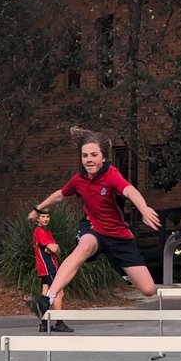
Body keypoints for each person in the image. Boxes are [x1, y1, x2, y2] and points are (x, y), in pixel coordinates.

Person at [26, 126, 161, 318]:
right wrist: (38, 209)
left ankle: (117, 265)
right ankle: (47, 299)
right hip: (93, 228)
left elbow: (130, 190)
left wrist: (144, 208)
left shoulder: (111, 175)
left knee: (148, 289)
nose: (89, 159)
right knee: (84, 247)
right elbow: (59, 195)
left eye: (94, 155)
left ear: (103, 157)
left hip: (118, 236)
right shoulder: (79, 179)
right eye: (85, 155)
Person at [32, 209, 73, 332]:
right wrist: (54, 247)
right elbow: (54, 249)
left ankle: (44, 324)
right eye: (43, 216)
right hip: (48, 267)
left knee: (45, 293)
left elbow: (56, 249)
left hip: (46, 267)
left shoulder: (46, 231)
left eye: (47, 216)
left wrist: (55, 247)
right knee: (59, 292)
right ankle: (59, 322)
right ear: (37, 219)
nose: (46, 219)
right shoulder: (40, 231)